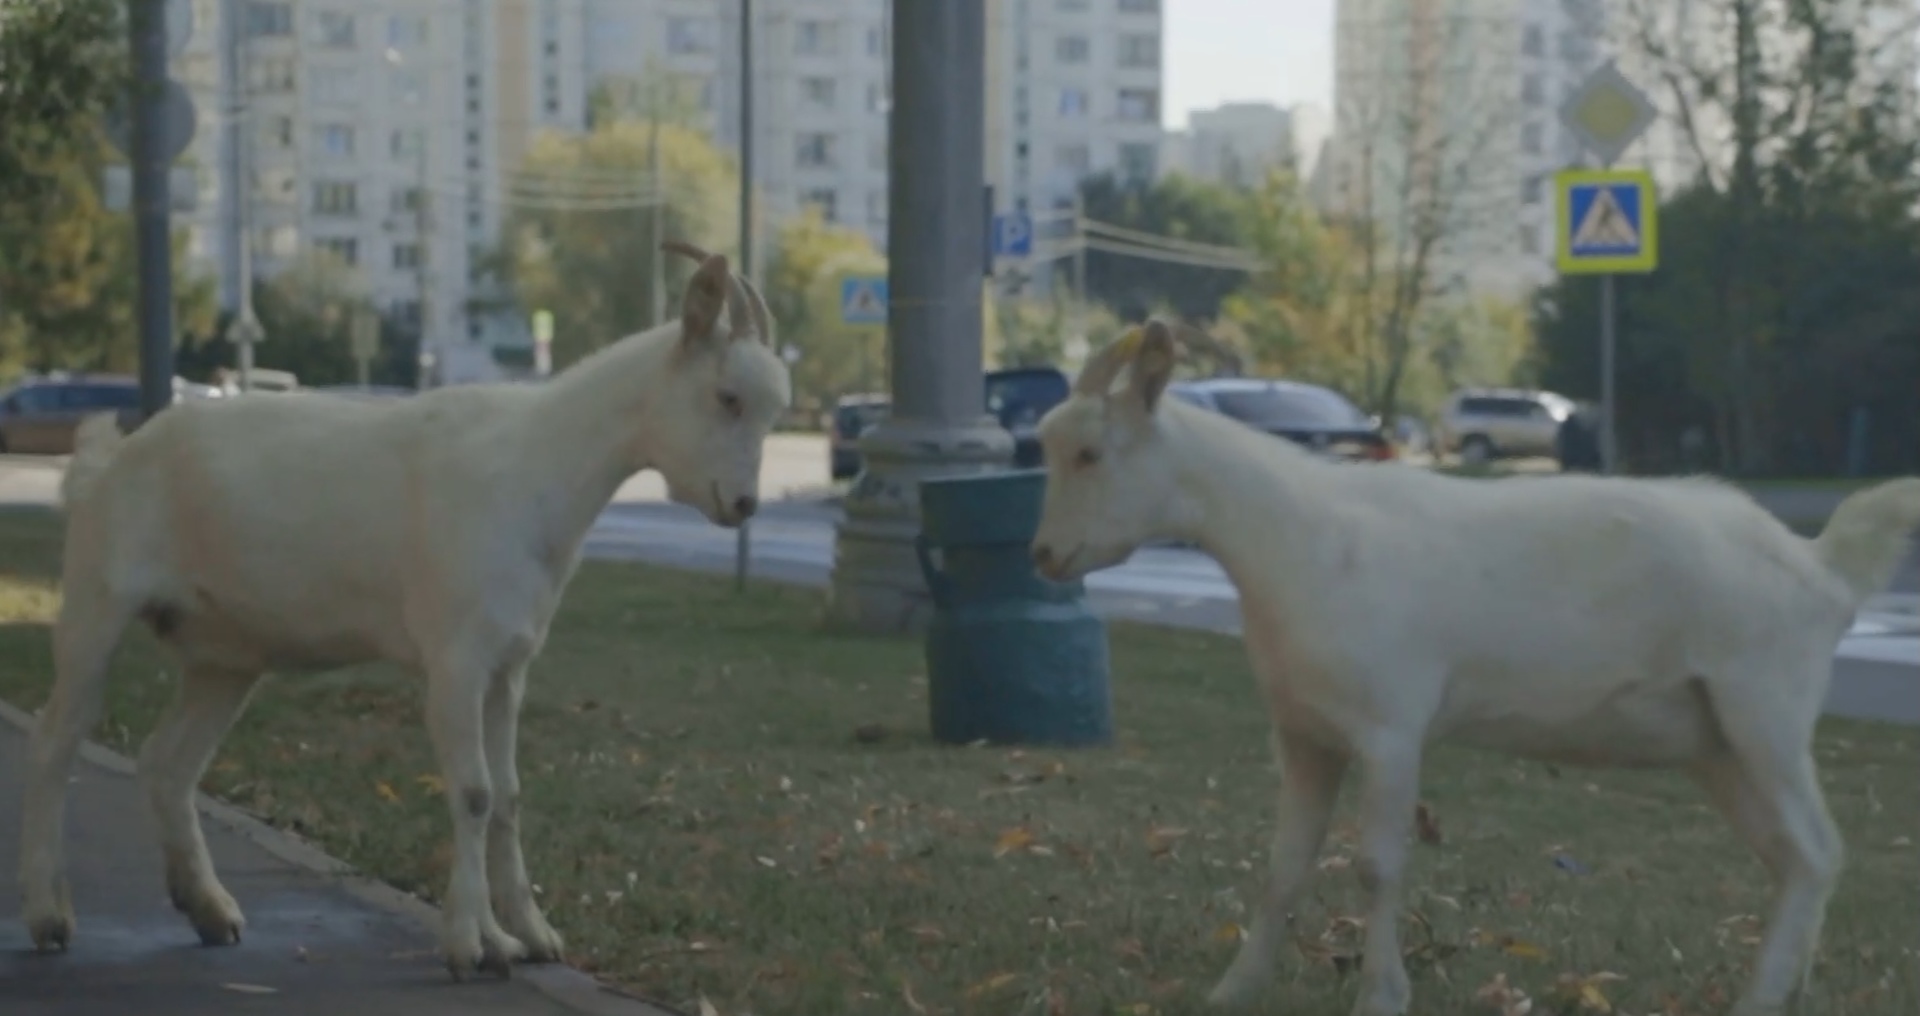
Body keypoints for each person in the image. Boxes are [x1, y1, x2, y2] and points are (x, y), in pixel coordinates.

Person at [1556, 403, 1604, 473]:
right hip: (1581, 460)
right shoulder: (1571, 425)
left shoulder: (1570, 424)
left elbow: (1562, 440)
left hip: (1575, 460)